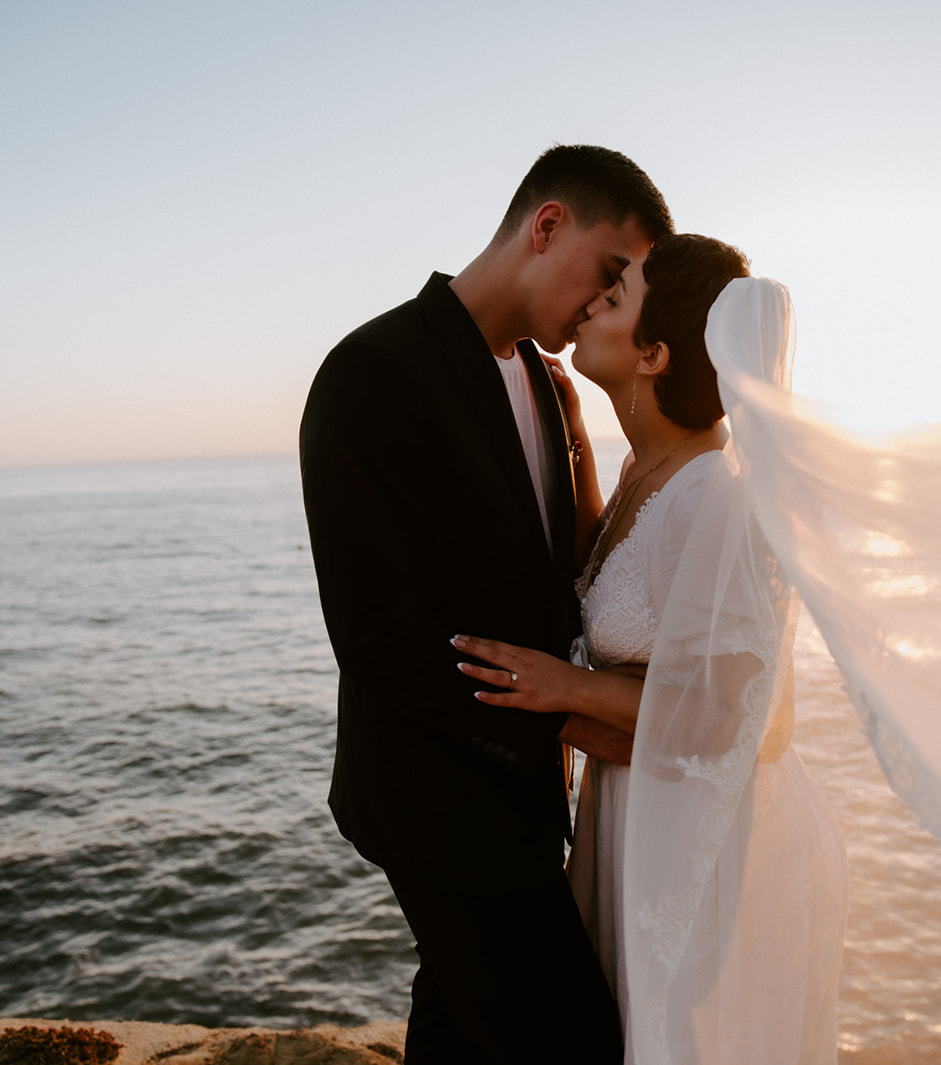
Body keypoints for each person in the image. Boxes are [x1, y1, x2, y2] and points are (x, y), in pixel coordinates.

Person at [298, 145, 673, 1064]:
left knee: (464, 1029)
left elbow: (575, 581)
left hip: (530, 800)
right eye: (610, 270)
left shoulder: (552, 388)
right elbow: (379, 639)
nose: (604, 300)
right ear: (546, 225)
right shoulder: (372, 369)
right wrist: (561, 719)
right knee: (571, 1037)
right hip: (434, 793)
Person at [452, 234, 849, 1064]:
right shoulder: (652, 466)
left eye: (615, 296)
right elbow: (619, 579)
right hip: (635, 808)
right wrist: (577, 447)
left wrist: (565, 688)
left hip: (704, 835)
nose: (592, 303)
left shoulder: (714, 495)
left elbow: (724, 715)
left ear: (655, 353)